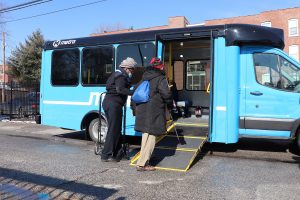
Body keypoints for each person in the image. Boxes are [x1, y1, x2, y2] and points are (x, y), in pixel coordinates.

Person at [134, 57, 173, 171]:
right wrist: (170, 105)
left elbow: (135, 93)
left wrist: (134, 109)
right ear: (160, 66)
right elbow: (166, 93)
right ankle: (143, 164)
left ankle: (144, 159)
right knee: (152, 136)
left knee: (145, 136)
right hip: (154, 110)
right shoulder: (160, 78)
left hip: (142, 109)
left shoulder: (144, 77)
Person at [101, 57, 137, 162]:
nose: (132, 72)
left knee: (116, 129)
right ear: (127, 68)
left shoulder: (116, 73)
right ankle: (106, 154)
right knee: (113, 130)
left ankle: (117, 154)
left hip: (110, 103)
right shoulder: (121, 76)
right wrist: (134, 92)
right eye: (132, 70)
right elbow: (120, 90)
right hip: (113, 104)